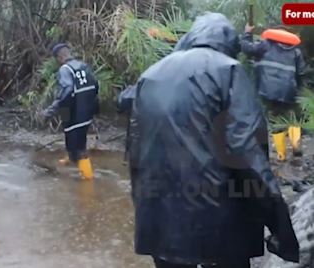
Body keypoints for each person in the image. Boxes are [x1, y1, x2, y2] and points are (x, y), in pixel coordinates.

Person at [126, 12, 299, 268]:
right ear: (228, 42)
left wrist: (145, 212)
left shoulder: (150, 75)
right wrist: (281, 230)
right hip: (220, 231)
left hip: (160, 226)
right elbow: (248, 157)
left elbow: (135, 155)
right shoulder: (228, 70)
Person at [240, 24, 306, 161]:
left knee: (276, 120)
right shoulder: (295, 51)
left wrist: (247, 33)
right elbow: (301, 72)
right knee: (293, 119)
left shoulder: (266, 44)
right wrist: (298, 91)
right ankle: (296, 145)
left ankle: (281, 156)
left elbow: (247, 48)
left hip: (268, 91)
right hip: (289, 91)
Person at [42, 43, 99, 180]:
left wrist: (50, 111)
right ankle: (70, 157)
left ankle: (88, 181)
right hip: (85, 112)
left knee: (79, 149)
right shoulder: (83, 66)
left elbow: (67, 90)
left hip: (75, 113)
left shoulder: (65, 69)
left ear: (59, 57)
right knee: (73, 137)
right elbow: (96, 85)